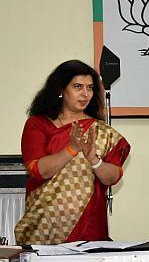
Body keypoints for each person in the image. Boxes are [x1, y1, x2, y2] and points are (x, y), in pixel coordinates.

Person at [14, 60, 130, 244]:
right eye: (78, 87)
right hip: (43, 229)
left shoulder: (100, 130)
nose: (85, 94)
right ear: (61, 89)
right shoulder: (37, 124)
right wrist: (71, 149)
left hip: (89, 230)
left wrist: (94, 160)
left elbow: (112, 177)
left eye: (90, 88)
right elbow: (38, 170)